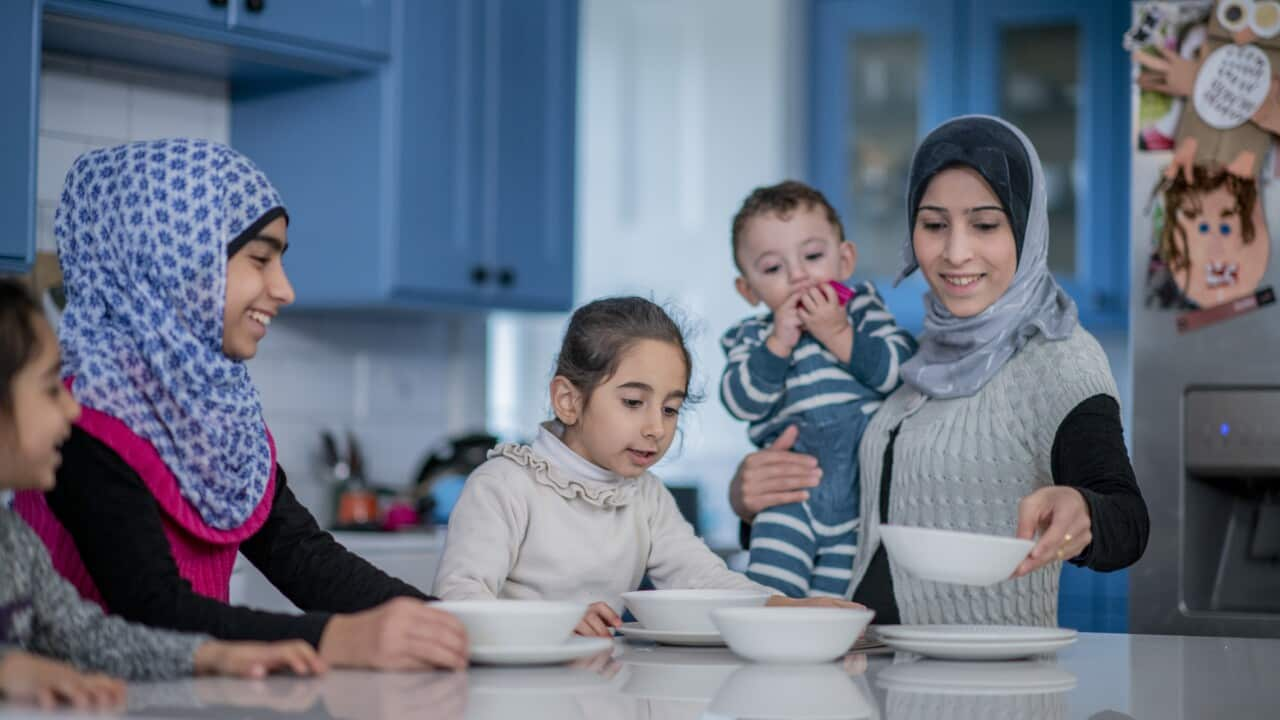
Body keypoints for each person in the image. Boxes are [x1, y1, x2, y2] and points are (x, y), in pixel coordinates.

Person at [14, 139, 467, 670]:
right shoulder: (81, 417)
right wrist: (340, 639)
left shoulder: (218, 416)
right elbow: (153, 609)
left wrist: (464, 626)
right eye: (260, 259)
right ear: (174, 255)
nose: (284, 289)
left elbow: (303, 557)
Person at [729, 116, 1149, 626]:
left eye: (986, 224)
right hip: (871, 673)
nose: (955, 252)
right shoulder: (920, 355)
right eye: (933, 224)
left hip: (981, 692)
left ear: (1026, 225)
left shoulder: (1058, 358)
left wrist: (1083, 511)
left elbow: (1126, 520)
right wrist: (750, 503)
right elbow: (863, 508)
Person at [433, 297, 860, 637]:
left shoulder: (646, 495)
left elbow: (700, 578)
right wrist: (550, 623)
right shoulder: (505, 484)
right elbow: (459, 596)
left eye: (671, 408)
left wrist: (787, 608)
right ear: (568, 400)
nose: (656, 427)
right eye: (633, 402)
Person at [0, 278, 324, 710]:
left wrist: (212, 656)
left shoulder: (12, 538)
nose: (72, 407)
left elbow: (86, 636)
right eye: (49, 389)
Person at [721, 180, 916, 598]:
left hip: (860, 503)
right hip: (788, 496)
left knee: (834, 612)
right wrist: (778, 343)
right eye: (773, 268)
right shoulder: (751, 338)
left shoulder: (862, 310)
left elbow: (901, 373)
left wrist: (839, 333)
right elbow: (741, 400)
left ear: (844, 260)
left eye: (812, 256)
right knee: (770, 599)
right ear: (748, 290)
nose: (798, 276)